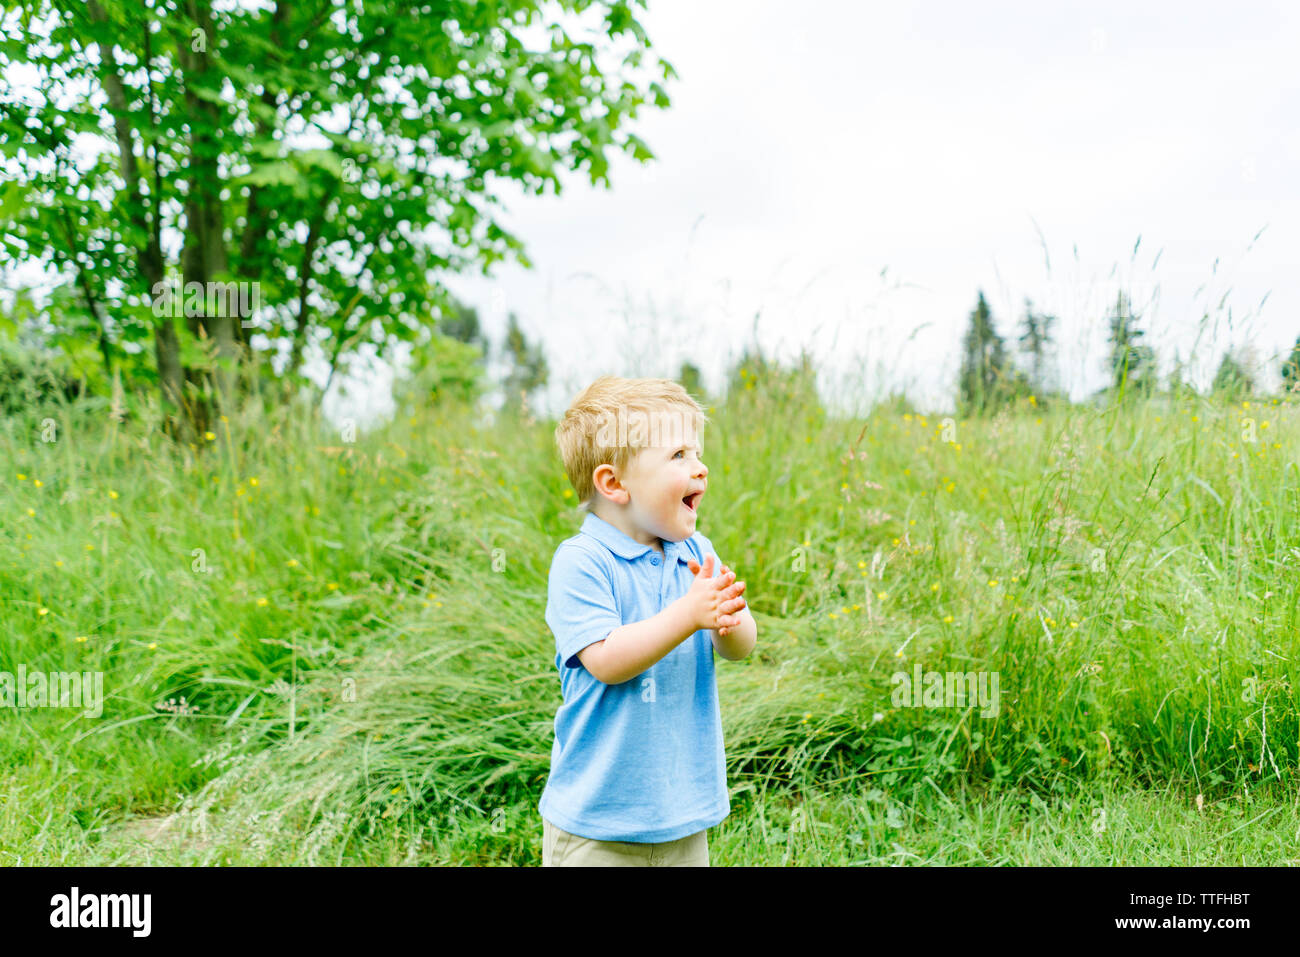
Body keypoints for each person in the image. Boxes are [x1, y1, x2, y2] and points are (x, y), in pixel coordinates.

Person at [539, 375, 758, 866]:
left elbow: (740, 648)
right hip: (598, 822)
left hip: (682, 811)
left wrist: (729, 619)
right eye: (678, 455)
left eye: (697, 453)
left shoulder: (696, 553)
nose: (700, 468)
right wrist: (688, 614)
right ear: (614, 483)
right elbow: (608, 660)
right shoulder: (583, 561)